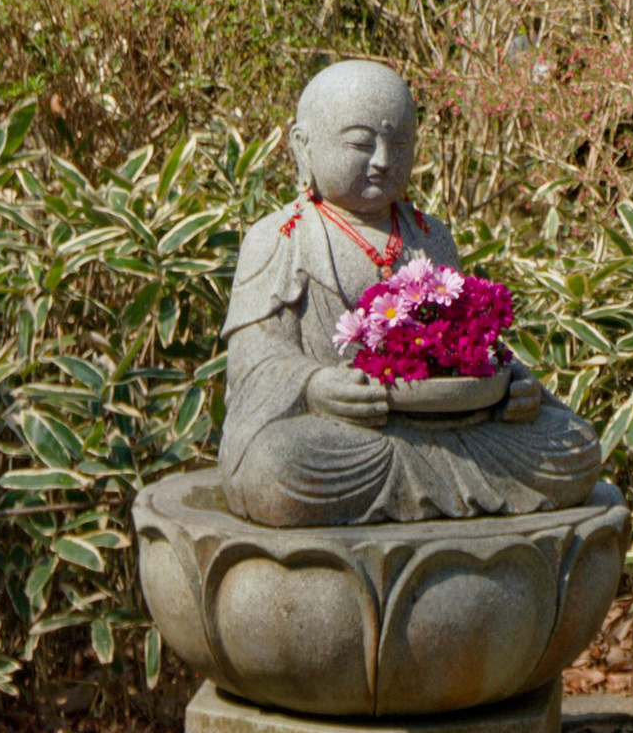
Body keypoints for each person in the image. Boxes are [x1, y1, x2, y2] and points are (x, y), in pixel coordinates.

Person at [217, 60, 601, 527]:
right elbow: (253, 362)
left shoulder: (430, 236)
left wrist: (514, 383)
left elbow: (469, 342)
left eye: (399, 144)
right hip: (347, 434)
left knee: (574, 444)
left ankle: (420, 484)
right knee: (276, 467)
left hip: (446, 427)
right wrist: (314, 386)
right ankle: (443, 485)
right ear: (303, 145)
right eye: (360, 144)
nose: (383, 160)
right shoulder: (281, 237)